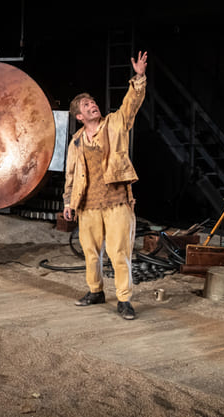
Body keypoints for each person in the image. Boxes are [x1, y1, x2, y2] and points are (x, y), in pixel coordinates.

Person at [63, 51, 148, 321]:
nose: (93, 106)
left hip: (117, 200)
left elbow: (130, 105)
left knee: (119, 252)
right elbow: (71, 174)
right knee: (91, 252)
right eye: (86, 105)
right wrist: (68, 202)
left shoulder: (114, 123)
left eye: (93, 102)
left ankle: (124, 299)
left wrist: (139, 78)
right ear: (79, 115)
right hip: (87, 204)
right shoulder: (76, 141)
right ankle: (95, 291)